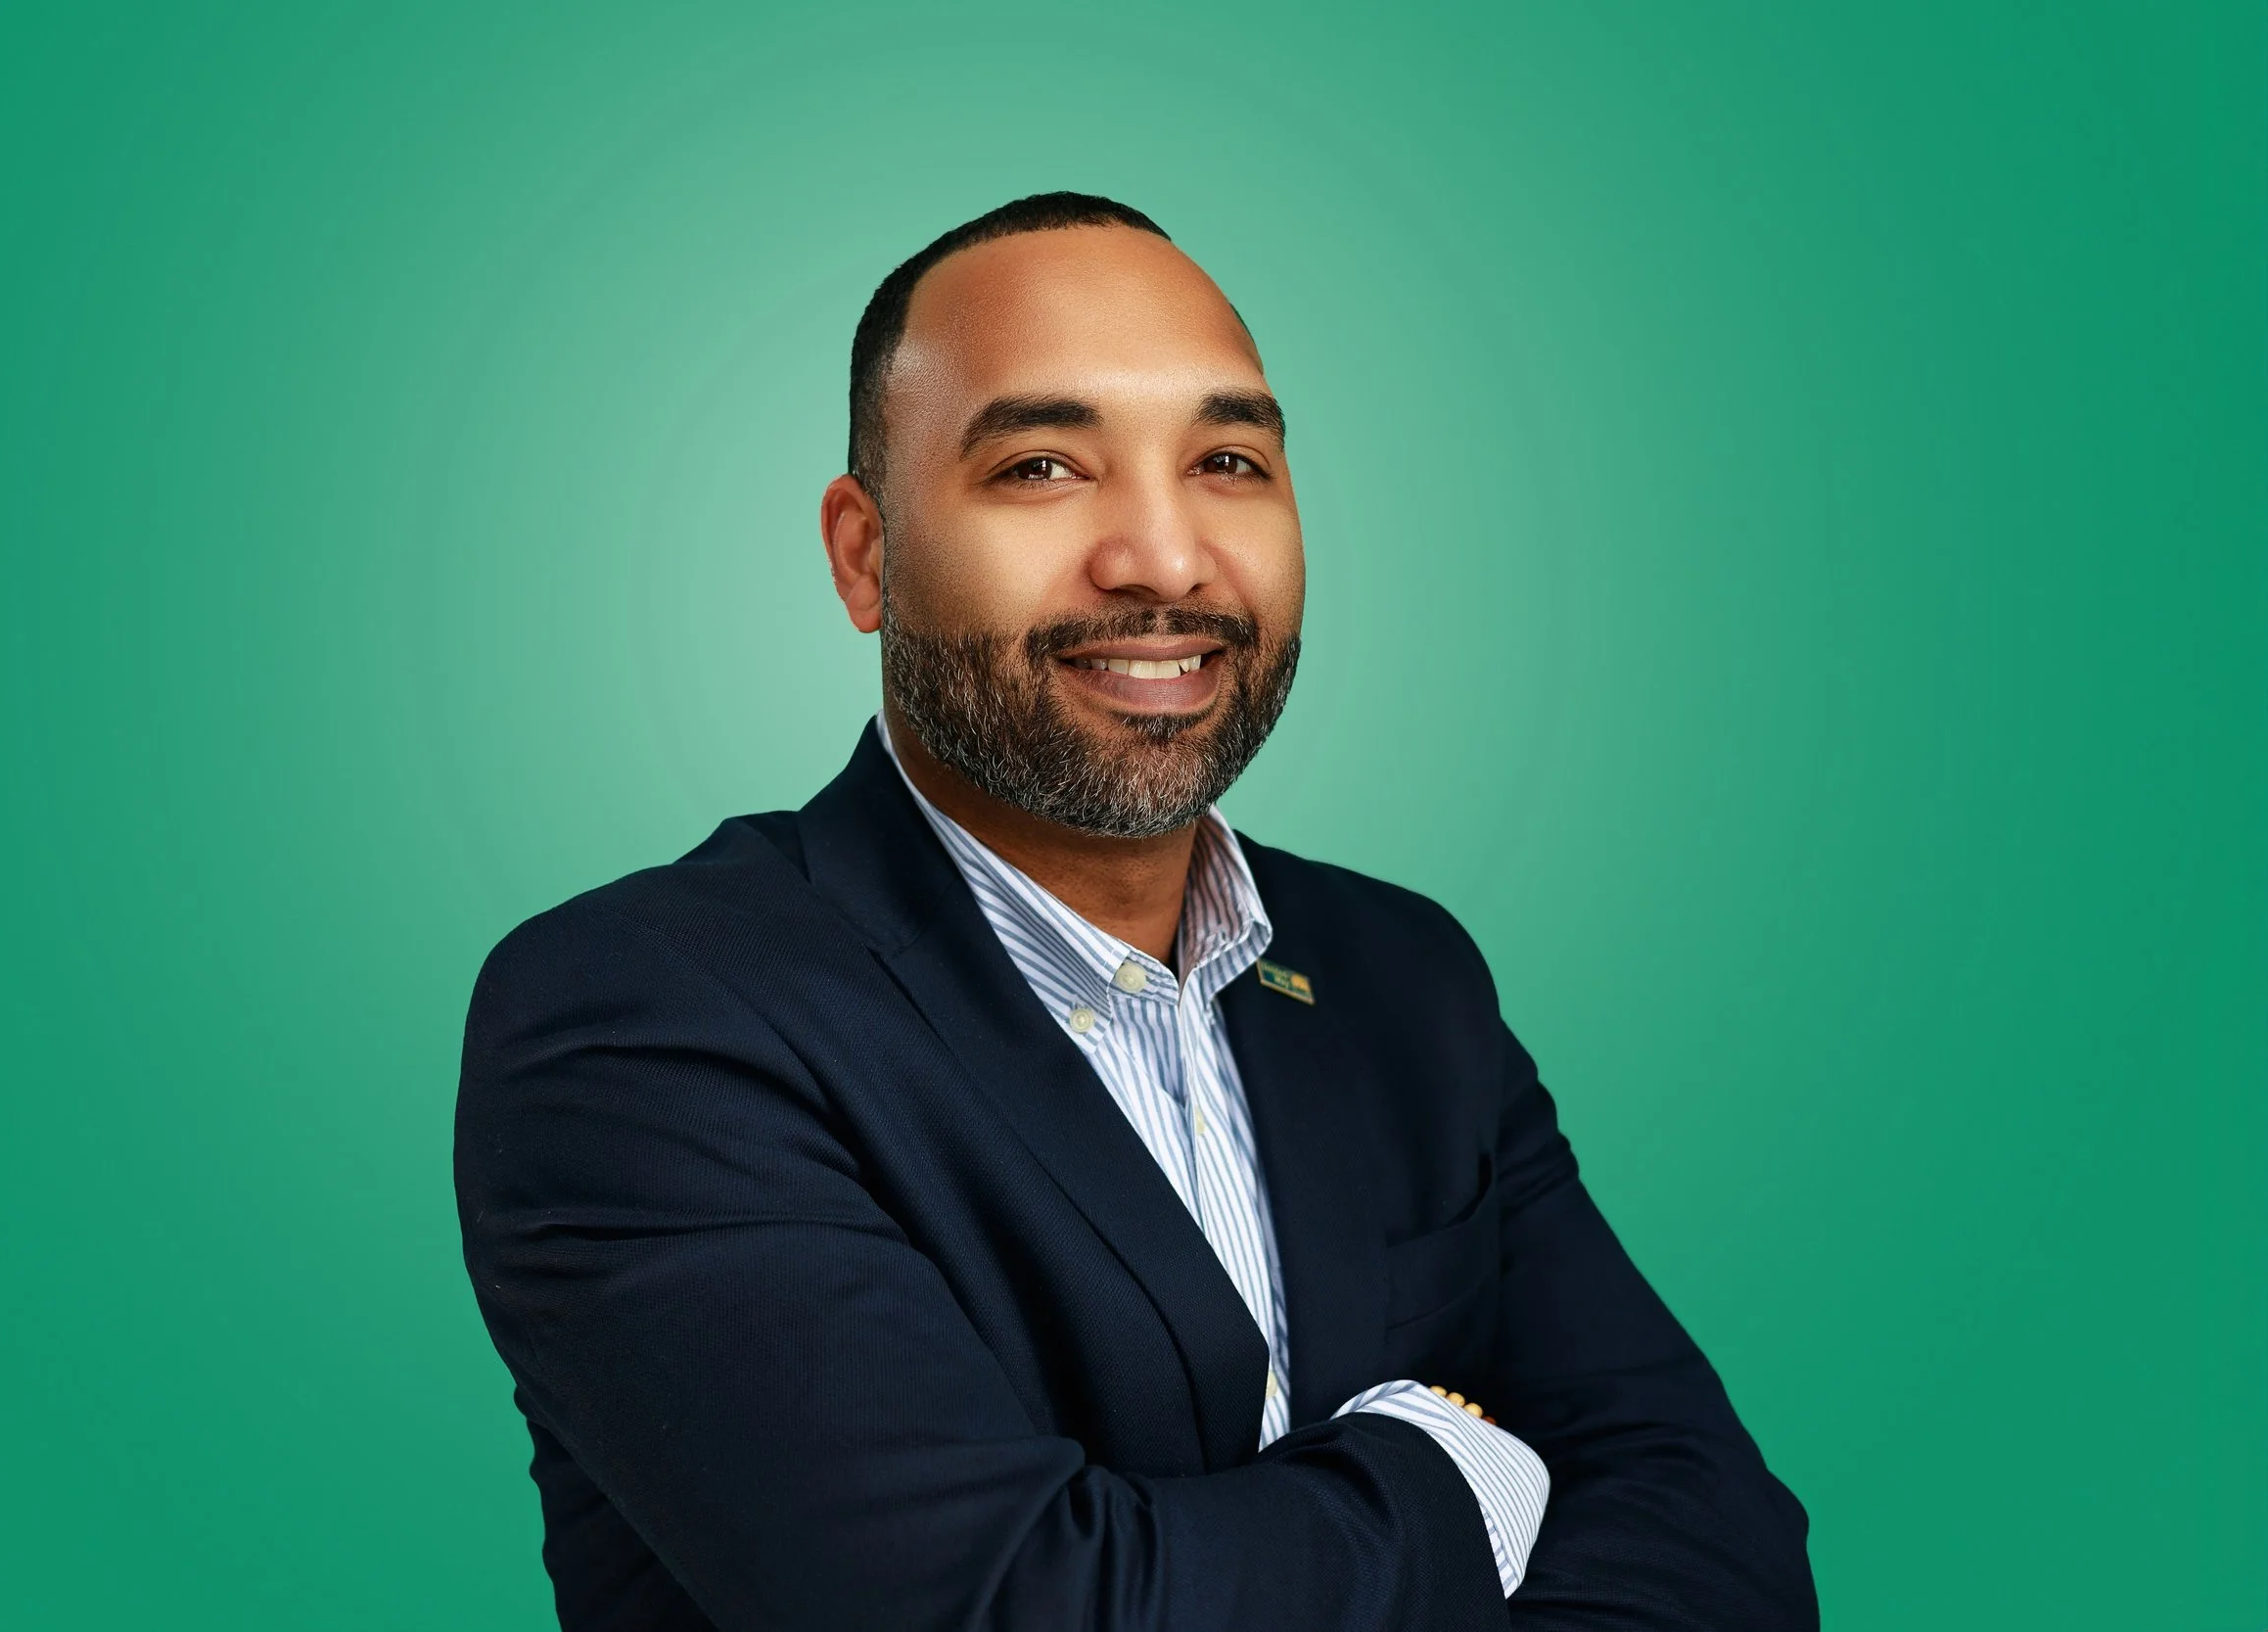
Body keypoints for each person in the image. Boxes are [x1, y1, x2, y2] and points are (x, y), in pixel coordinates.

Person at [456, 192, 1817, 1631]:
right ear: (866, 555)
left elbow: (1716, 1529)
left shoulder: (1402, 978)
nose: (1164, 560)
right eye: (1044, 465)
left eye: (1228, 460)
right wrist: (1454, 1473)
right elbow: (1006, 1608)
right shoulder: (643, 1015)